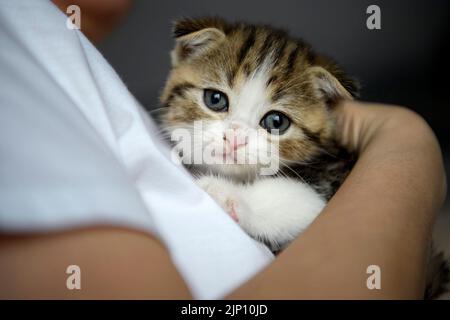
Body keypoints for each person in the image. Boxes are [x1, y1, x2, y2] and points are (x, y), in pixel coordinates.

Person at [0, 0, 446, 299]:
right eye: (216, 100)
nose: (235, 138)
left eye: (274, 122)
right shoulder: (17, 42)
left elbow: (307, 211)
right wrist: (407, 146)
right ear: (185, 56)